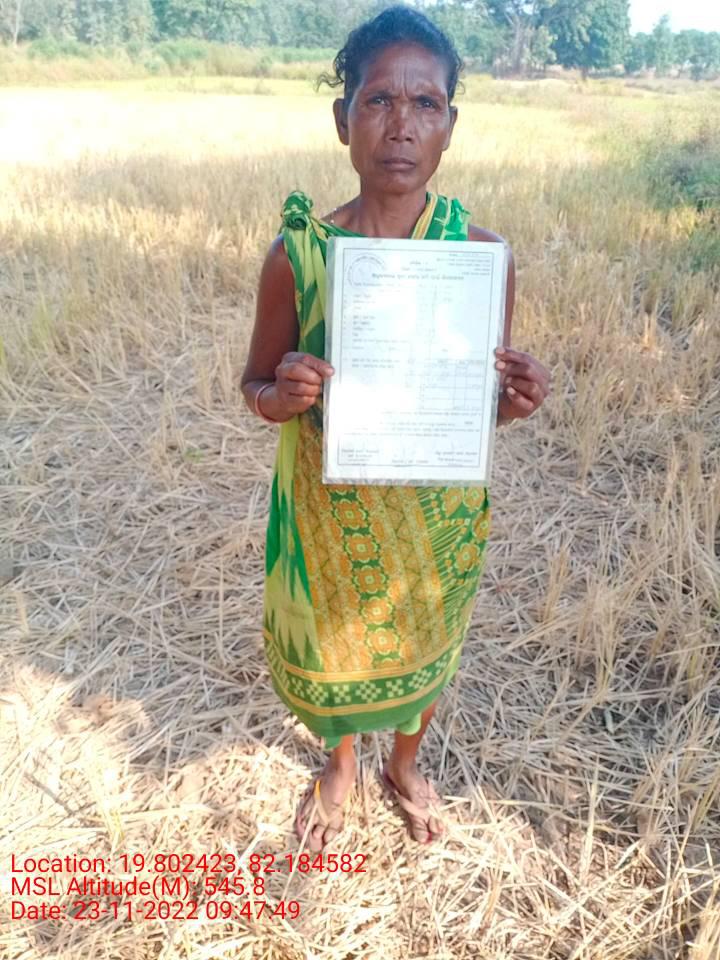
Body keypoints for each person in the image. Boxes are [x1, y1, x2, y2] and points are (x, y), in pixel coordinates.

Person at [241, 4, 551, 852]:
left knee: (427, 641)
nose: (401, 125)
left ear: (451, 124)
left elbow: (474, 408)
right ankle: (341, 765)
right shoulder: (299, 256)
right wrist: (283, 394)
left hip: (432, 517)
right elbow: (255, 384)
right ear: (343, 118)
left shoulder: (480, 257)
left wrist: (512, 400)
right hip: (328, 512)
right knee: (335, 653)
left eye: (425, 103)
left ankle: (404, 767)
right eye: (378, 100)